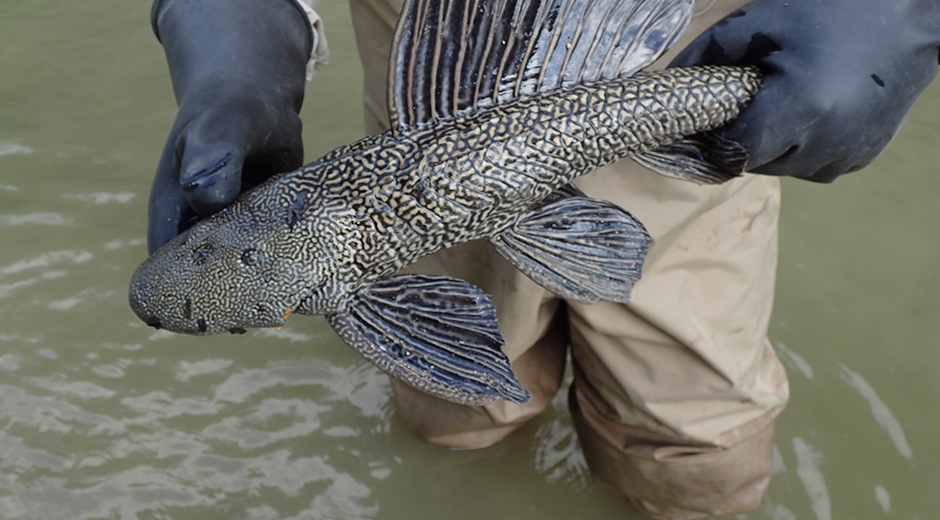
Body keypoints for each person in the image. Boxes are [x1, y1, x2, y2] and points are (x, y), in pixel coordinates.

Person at [145, 0, 939, 517]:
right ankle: (473, 474)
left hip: (693, 43)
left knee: (691, 422)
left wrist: (898, 14)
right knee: (462, 404)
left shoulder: (360, 304)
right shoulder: (350, 276)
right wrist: (235, 38)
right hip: (431, 59)